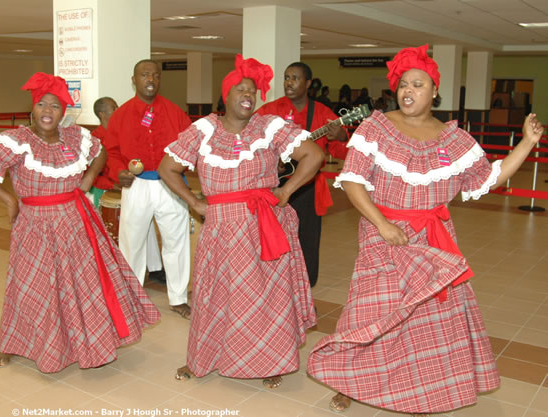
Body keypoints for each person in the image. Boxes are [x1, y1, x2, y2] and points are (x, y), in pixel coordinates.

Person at [307, 44, 544, 415]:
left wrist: (528, 143)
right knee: (373, 311)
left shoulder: (455, 139)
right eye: (403, 84)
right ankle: (349, 381)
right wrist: (383, 225)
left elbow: (489, 179)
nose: (408, 91)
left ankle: (421, 387)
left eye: (418, 84)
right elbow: (352, 182)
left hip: (432, 237)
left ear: (435, 91)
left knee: (427, 318)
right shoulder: (376, 128)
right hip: (381, 231)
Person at [0, 72, 160, 373]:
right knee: (31, 287)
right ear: (33, 108)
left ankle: (86, 342)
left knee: (81, 287)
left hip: (76, 222)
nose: (48, 112)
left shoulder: (76, 137)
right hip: (35, 226)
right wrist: (9, 200)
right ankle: (14, 344)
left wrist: (90, 177)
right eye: (42, 105)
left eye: (55, 107)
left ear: (63, 112)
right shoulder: (17, 141)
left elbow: (100, 152)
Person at [158, 54, 322, 388]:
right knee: (214, 294)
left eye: (253, 91)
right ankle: (203, 358)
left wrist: (286, 190)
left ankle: (272, 360)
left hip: (264, 225)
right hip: (220, 227)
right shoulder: (203, 130)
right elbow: (167, 168)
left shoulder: (269, 126)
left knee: (267, 296)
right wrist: (194, 202)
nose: (247, 95)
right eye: (240, 90)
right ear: (225, 96)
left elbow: (314, 154)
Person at [105, 59, 192, 318]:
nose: (150, 80)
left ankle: (178, 298)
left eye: (155, 75)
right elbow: (111, 151)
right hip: (137, 186)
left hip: (170, 184)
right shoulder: (121, 115)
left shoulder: (175, 113)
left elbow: (190, 146)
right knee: (132, 242)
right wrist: (118, 171)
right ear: (134, 79)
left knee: (177, 242)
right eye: (144, 75)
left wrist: (181, 168)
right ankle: (132, 295)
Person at [256, 62, 347, 288]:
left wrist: (340, 137)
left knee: (307, 240)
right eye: (287, 78)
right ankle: (274, 286)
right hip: (273, 185)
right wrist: (270, 160)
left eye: (295, 78)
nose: (289, 82)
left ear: (307, 84)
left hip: (308, 188)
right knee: (272, 238)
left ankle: (305, 289)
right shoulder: (270, 110)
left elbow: (342, 152)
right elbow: (252, 140)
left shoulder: (323, 114)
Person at [88, 96, 166, 284]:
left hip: (130, 184)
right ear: (102, 114)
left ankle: (155, 268)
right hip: (105, 189)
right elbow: (92, 172)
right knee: (122, 233)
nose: (118, 109)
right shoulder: (95, 138)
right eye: (114, 107)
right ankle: (114, 269)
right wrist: (112, 184)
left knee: (145, 225)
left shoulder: (122, 131)